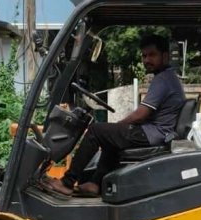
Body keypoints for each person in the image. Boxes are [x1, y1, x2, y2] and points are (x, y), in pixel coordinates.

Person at [44, 34, 186, 197]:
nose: (147, 60)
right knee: (109, 136)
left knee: (96, 131)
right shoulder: (168, 78)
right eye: (144, 56)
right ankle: (95, 184)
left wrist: (119, 125)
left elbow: (140, 115)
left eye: (152, 55)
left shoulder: (163, 80)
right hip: (155, 132)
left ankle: (67, 182)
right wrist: (116, 129)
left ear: (165, 56)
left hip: (152, 134)